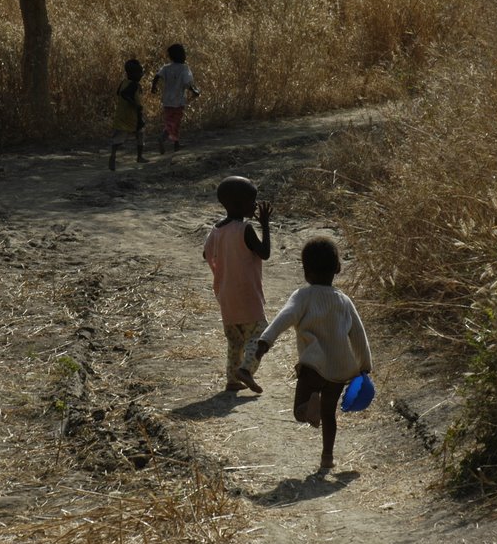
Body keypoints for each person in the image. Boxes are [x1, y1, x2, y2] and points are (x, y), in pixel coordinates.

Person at [255, 237, 373, 470]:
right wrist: (365, 365)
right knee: (329, 415)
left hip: (312, 366)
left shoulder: (302, 296)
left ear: (306, 272)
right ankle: (327, 458)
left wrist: (265, 342)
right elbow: (358, 335)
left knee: (300, 411)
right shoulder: (344, 300)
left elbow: (282, 319)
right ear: (338, 268)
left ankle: (309, 405)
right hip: (339, 370)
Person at [203, 176, 272, 393]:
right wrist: (266, 226)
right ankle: (246, 370)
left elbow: (206, 253)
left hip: (226, 295)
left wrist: (223, 268)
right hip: (247, 294)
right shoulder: (245, 229)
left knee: (235, 341)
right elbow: (265, 254)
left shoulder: (216, 229)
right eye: (251, 201)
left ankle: (232, 380)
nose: (254, 205)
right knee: (260, 333)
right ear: (236, 204)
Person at [150, 43, 200, 154]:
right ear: (182, 55)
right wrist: (194, 91)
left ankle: (176, 144)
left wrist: (154, 87)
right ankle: (163, 138)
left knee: (171, 120)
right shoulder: (184, 68)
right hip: (178, 101)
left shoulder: (166, 67)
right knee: (175, 122)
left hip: (167, 101)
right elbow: (187, 83)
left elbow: (157, 76)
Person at [109, 59, 148, 171]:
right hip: (132, 116)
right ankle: (139, 157)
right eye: (139, 73)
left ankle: (113, 155)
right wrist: (134, 104)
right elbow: (124, 94)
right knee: (140, 134)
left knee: (118, 138)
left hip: (121, 115)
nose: (141, 75)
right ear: (132, 74)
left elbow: (119, 93)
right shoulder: (134, 85)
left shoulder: (124, 82)